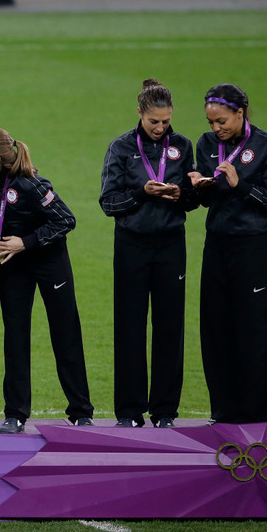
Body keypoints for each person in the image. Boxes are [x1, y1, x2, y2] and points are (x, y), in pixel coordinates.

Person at [0, 127, 95, 432]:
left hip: (49, 264)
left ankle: (81, 410)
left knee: (65, 334)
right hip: (14, 266)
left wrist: (25, 242)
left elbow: (66, 219)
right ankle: (15, 413)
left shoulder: (30, 185)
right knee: (15, 336)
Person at [98, 79, 198, 429]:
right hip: (131, 245)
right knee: (130, 326)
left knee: (170, 327)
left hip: (171, 244)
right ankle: (128, 411)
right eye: (153, 121)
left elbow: (193, 198)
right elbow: (109, 203)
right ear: (139, 113)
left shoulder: (183, 146)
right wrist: (142, 192)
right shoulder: (121, 148)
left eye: (166, 121)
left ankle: (165, 411)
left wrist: (181, 195)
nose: (160, 128)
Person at [189, 83, 267, 424]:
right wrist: (198, 187)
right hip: (216, 248)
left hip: (253, 250)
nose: (215, 128)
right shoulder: (205, 144)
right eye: (211, 122)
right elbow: (206, 199)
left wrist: (239, 184)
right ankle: (224, 414)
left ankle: (257, 417)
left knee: (254, 334)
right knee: (216, 332)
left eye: (221, 121)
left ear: (240, 113)